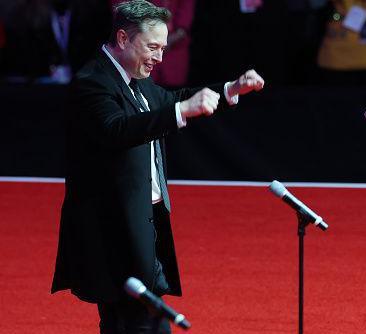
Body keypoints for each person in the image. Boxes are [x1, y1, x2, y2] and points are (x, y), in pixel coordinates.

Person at [50, 0, 264, 332]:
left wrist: (229, 89)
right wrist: (182, 113)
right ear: (123, 39)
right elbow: (117, 130)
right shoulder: (93, 82)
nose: (160, 58)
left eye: (163, 48)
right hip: (112, 232)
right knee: (133, 320)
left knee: (142, 319)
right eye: (153, 47)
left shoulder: (135, 80)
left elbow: (173, 99)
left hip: (140, 222)